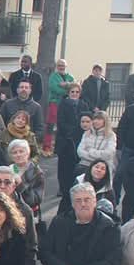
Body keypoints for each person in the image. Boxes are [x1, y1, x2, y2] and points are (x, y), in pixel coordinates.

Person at [56, 82, 91, 211]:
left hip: (79, 140)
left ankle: (75, 187)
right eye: (72, 92)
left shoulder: (84, 105)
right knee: (64, 168)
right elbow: (61, 121)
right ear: (68, 93)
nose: (75, 94)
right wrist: (71, 131)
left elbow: (86, 120)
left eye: (77, 92)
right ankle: (63, 188)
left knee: (76, 167)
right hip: (65, 140)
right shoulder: (63, 104)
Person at [44, 59, 74, 152]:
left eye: (63, 65)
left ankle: (59, 146)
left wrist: (65, 85)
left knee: (63, 125)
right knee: (50, 125)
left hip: (67, 104)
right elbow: (54, 89)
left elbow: (73, 88)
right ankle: (47, 146)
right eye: (59, 65)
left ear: (66, 66)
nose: (61, 67)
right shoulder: (53, 76)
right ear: (57, 66)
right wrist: (67, 89)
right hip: (55, 103)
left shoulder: (70, 77)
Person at [9, 139, 46, 214]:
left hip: (29, 213)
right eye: (15, 152)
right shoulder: (8, 170)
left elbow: (35, 200)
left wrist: (21, 185)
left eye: (21, 151)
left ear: (27, 153)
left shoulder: (37, 172)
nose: (18, 155)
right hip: (10, 212)